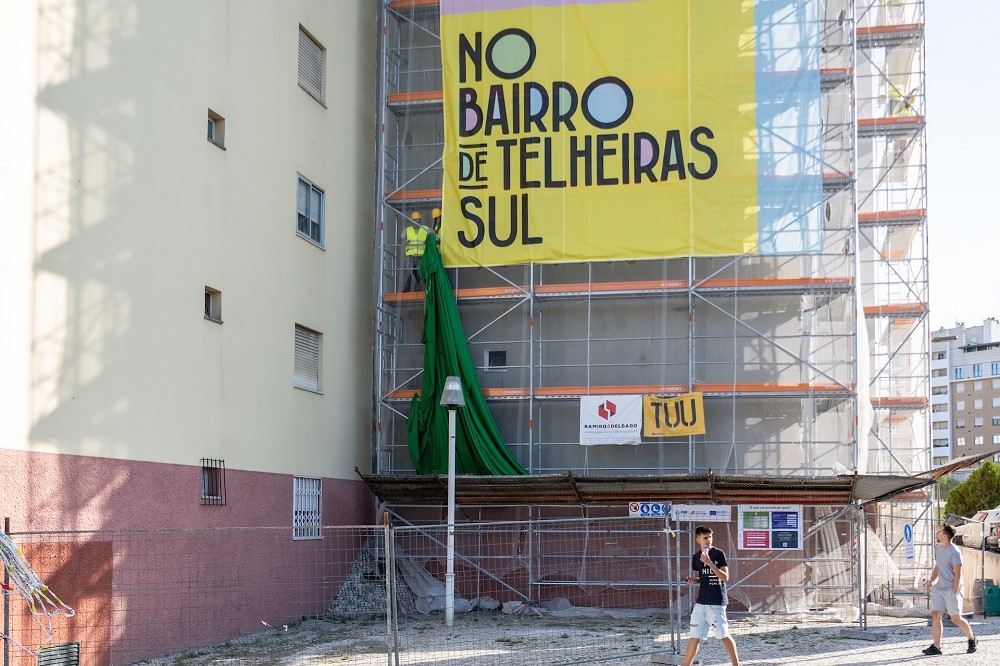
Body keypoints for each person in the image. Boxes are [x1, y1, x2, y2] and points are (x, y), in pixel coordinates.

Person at [682, 525, 740, 666]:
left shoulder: (718, 554)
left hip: (716, 602)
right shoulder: (696, 558)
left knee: (723, 635)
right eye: (705, 537)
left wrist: (709, 563)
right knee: (694, 636)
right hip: (701, 602)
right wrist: (693, 580)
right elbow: (703, 578)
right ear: (698, 540)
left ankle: (736, 664)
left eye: (710, 537)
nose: (708, 540)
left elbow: (725, 577)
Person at [922, 524, 977, 655]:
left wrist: (954, 593)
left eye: (939, 531)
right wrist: (931, 580)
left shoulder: (955, 552)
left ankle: (971, 639)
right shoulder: (938, 548)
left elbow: (957, 575)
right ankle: (936, 646)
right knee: (936, 615)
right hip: (939, 588)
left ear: (945, 536)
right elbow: (938, 567)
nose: (937, 532)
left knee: (955, 619)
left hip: (952, 589)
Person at [402, 211, 427, 292]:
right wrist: (404, 241)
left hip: (421, 256)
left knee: (419, 274)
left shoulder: (425, 229)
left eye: (417, 220)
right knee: (408, 273)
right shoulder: (407, 230)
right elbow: (401, 239)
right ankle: (406, 291)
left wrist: (428, 240)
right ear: (412, 220)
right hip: (410, 255)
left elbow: (433, 234)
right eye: (414, 220)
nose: (416, 221)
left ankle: (418, 289)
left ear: (420, 220)